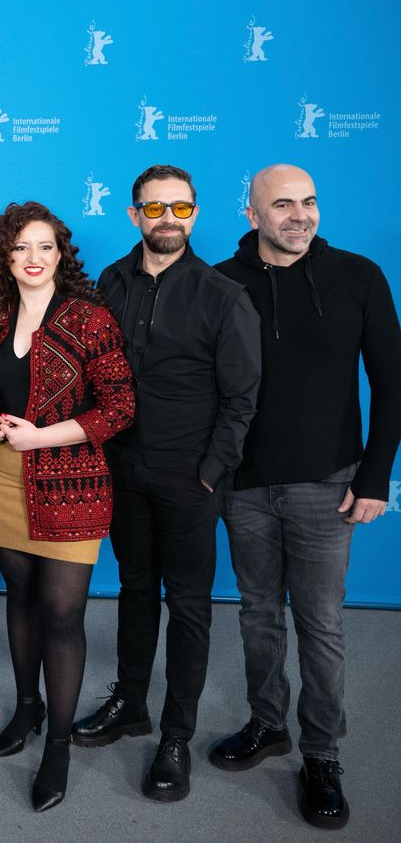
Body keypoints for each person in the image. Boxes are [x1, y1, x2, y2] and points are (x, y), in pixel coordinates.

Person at [210, 164, 400, 830]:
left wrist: (374, 476)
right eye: (283, 204)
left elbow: (392, 382)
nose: (300, 216)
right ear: (252, 215)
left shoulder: (358, 276)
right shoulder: (221, 283)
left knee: (320, 624)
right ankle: (268, 724)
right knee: (258, 614)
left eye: (309, 202)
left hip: (328, 484)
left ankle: (322, 755)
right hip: (244, 486)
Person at [75, 164, 261, 803]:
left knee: (188, 605)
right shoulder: (110, 281)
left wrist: (210, 475)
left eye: (180, 208)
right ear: (135, 215)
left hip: (190, 480)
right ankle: (130, 702)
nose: (168, 219)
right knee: (134, 589)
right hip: (123, 470)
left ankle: (176, 735)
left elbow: (242, 400)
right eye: (155, 208)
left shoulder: (223, 295)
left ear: (195, 214)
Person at [0, 203, 135, 811]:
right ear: (4, 258)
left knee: (62, 615)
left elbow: (120, 407)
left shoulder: (90, 319)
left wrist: (43, 437)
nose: (33, 258)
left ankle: (58, 746)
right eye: (20, 248)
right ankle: (27, 707)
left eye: (44, 246)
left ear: (61, 254)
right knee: (20, 598)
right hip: (6, 479)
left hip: (73, 486)